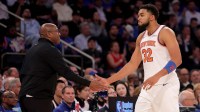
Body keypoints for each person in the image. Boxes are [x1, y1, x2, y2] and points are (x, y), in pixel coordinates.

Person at [97, 4, 182, 112]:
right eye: (138, 15)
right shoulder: (141, 37)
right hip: (149, 86)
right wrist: (108, 81)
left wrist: (156, 76)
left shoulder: (165, 32)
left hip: (167, 85)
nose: (138, 18)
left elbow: (177, 60)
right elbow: (132, 64)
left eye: (142, 15)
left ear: (152, 17)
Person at [19, 23, 106, 112]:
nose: (59, 34)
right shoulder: (50, 50)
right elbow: (66, 72)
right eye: (57, 31)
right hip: (38, 99)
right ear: (49, 34)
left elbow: (22, 74)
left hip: (25, 97)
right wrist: (89, 83)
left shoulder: (31, 50)